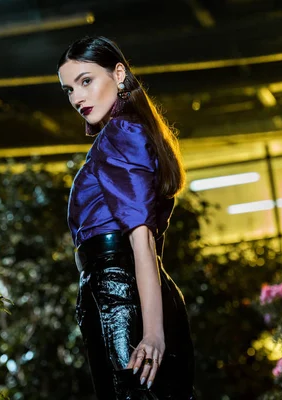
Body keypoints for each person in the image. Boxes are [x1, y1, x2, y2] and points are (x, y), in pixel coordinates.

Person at [57, 36, 197, 399]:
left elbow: (141, 238)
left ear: (119, 74)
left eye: (86, 81)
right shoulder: (130, 132)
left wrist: (152, 332)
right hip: (128, 292)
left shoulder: (120, 134)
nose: (77, 98)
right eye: (68, 89)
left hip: (119, 296)